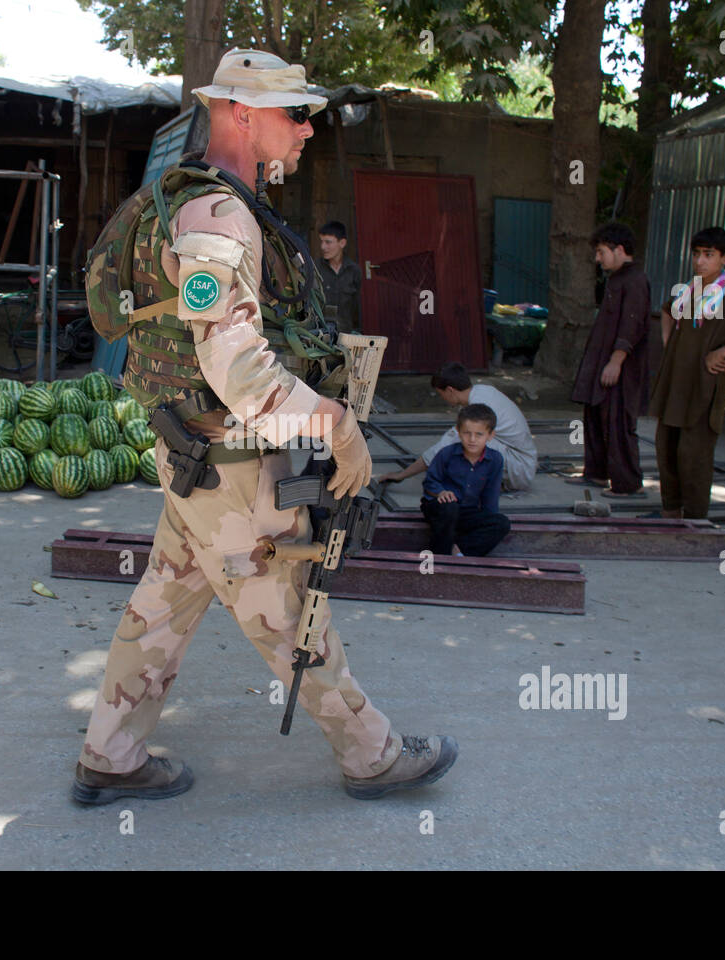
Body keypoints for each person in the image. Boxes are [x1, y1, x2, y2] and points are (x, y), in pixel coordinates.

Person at [73, 48, 457, 806]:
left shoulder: (196, 201)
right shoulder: (218, 217)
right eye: (295, 113)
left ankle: (110, 755)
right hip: (229, 463)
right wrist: (336, 425)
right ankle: (372, 755)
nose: (308, 130)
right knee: (289, 612)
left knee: (164, 599)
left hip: (192, 452)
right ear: (241, 115)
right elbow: (237, 369)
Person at [649, 226, 725, 519]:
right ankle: (670, 511)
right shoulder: (688, 291)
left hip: (703, 388)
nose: (700, 261)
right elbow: (667, 312)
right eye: (696, 254)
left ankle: (695, 518)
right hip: (674, 383)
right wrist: (669, 343)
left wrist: (722, 353)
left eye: (709, 255)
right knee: (666, 448)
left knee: (694, 455)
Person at [566, 222, 650, 497]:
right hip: (602, 363)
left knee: (617, 422)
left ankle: (627, 483)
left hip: (621, 368)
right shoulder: (617, 279)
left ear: (620, 250)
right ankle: (597, 473)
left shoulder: (635, 280)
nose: (597, 258)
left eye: (601, 252)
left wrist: (616, 360)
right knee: (595, 416)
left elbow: (632, 324)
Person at [376, 362, 537, 492]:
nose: (443, 399)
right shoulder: (483, 390)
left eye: (442, 394)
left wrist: (401, 475)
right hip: (520, 460)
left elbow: (440, 449)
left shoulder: (478, 408)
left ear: (450, 390)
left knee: (462, 440)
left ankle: (489, 485)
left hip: (519, 468)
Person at [419, 403, 511, 557]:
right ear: (458, 432)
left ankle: (460, 550)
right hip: (440, 508)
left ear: (490, 435)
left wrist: (488, 520)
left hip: (468, 511)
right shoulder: (447, 454)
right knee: (449, 508)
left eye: (479, 434)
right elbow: (429, 482)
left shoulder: (495, 460)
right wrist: (441, 492)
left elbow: (491, 496)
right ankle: (440, 556)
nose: (472, 439)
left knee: (501, 523)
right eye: (467, 433)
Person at [315, 221, 362, 332]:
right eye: (322, 242)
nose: (323, 247)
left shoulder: (354, 271)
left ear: (342, 243)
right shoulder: (315, 268)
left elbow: (357, 307)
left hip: (346, 332)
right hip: (320, 332)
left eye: (328, 242)